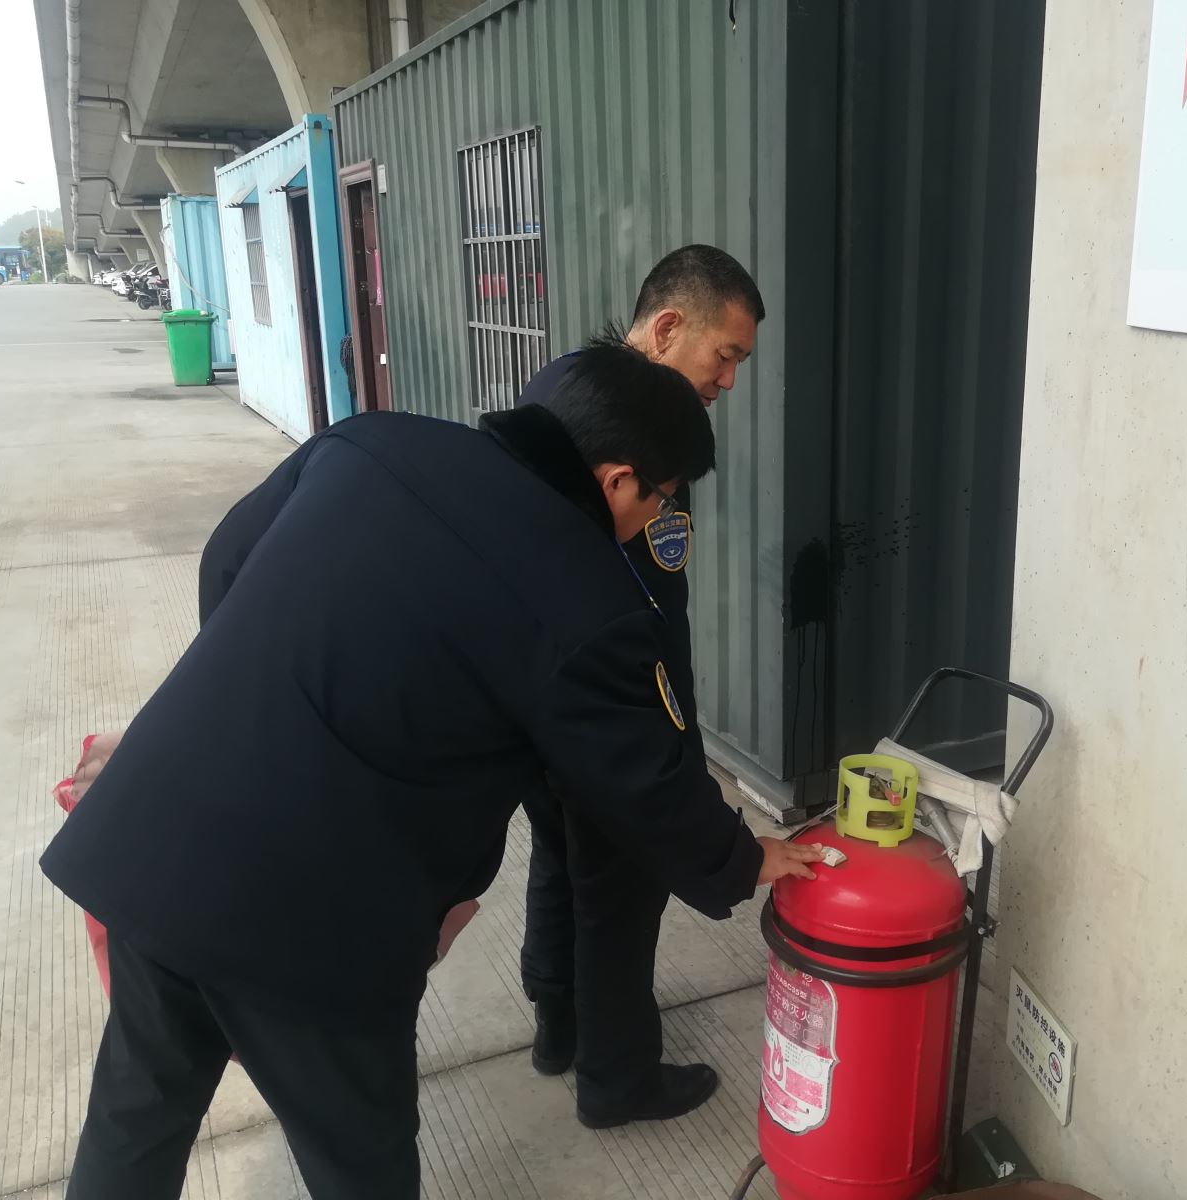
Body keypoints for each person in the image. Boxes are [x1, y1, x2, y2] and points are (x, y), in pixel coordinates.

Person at [40, 339, 823, 1200]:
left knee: (134, 1121)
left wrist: (258, 708)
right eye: (662, 498)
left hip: (156, 837)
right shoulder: (583, 593)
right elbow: (641, 780)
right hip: (306, 924)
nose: (654, 520)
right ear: (616, 480)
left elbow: (226, 560)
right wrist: (742, 857)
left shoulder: (370, 443)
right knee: (361, 1161)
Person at [514, 245, 763, 1126]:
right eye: (723, 356)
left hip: (540, 703)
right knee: (621, 887)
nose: (728, 381)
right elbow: (646, 615)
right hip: (605, 706)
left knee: (560, 855)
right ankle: (618, 1079)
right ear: (666, 328)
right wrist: (674, 748)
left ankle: (559, 1024)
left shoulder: (559, 389)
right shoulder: (633, 434)